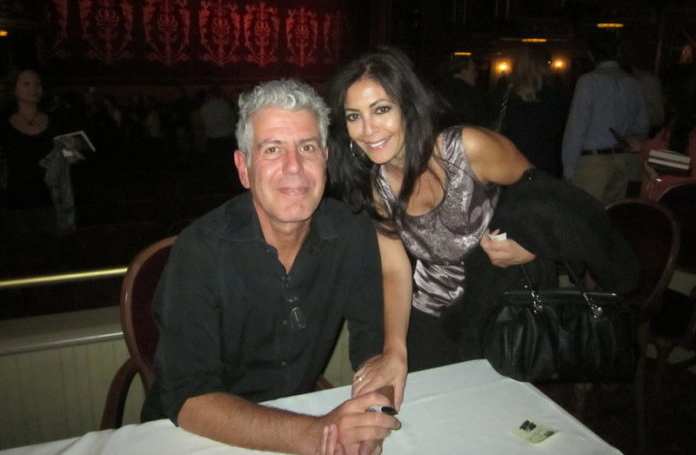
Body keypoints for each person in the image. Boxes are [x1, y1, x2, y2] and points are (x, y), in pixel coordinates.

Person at [142, 79, 400, 455]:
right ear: (243, 167)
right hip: (190, 438)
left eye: (307, 147)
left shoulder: (351, 232)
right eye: (273, 149)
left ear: (325, 160)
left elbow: (373, 349)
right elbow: (188, 398)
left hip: (297, 420)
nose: (294, 167)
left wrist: (371, 418)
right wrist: (316, 434)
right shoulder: (199, 250)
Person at [326, 47, 535, 387]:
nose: (367, 129)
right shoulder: (377, 184)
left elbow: (543, 197)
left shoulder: (468, 147)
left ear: (408, 107)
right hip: (432, 310)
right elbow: (395, 269)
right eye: (353, 116)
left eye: (381, 110)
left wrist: (532, 243)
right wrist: (395, 350)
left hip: (501, 307)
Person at [562, 34, 650, 204]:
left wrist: (568, 170)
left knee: (586, 220)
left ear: (591, 54)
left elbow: (576, 128)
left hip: (593, 164)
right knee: (615, 219)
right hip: (625, 163)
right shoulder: (633, 83)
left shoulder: (588, 81)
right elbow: (642, 126)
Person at [0, 69, 71, 237]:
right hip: (15, 203)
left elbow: (76, 156)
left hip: (52, 203)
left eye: (38, 84)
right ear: (14, 89)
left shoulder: (57, 120)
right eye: (26, 84)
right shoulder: (3, 124)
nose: (34, 89)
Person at [492, 46, 568, 177]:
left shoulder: (506, 92)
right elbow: (558, 128)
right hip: (544, 161)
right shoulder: (552, 94)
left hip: (511, 159)